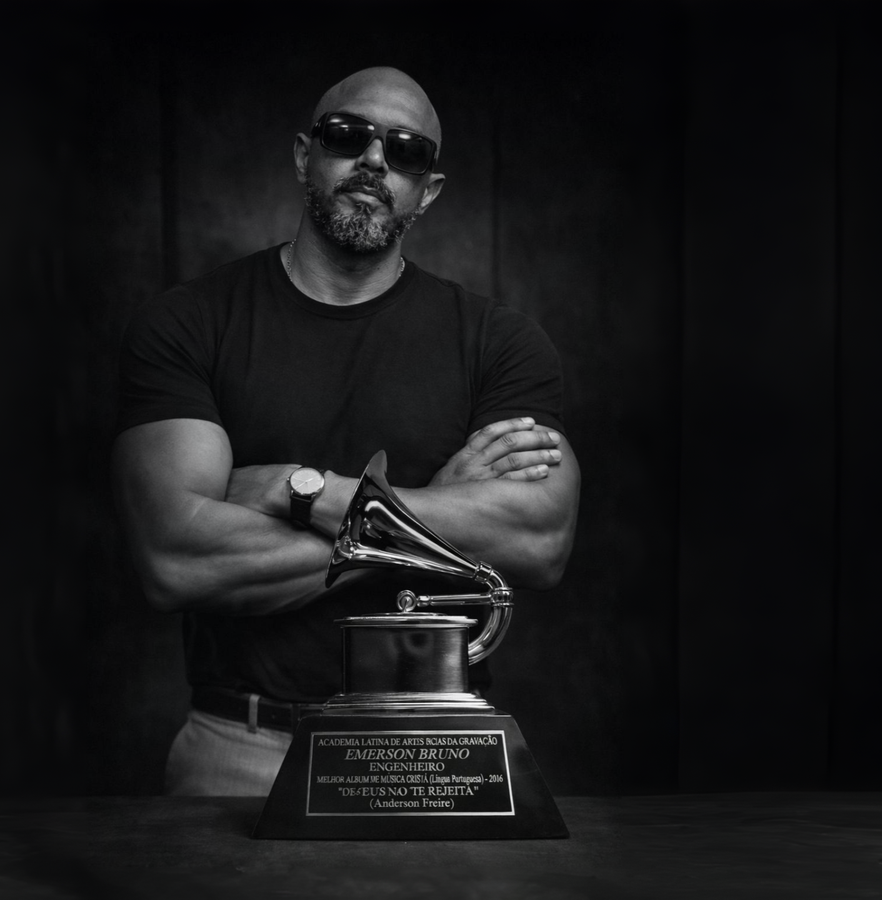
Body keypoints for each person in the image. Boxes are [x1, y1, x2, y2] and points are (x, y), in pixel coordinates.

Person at [112, 66, 581, 796]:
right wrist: (428, 521)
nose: (374, 160)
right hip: (242, 748)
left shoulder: (500, 344)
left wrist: (301, 492)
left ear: (428, 191)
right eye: (347, 135)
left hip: (435, 751)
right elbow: (174, 559)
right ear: (306, 155)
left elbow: (540, 541)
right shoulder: (189, 325)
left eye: (406, 150)